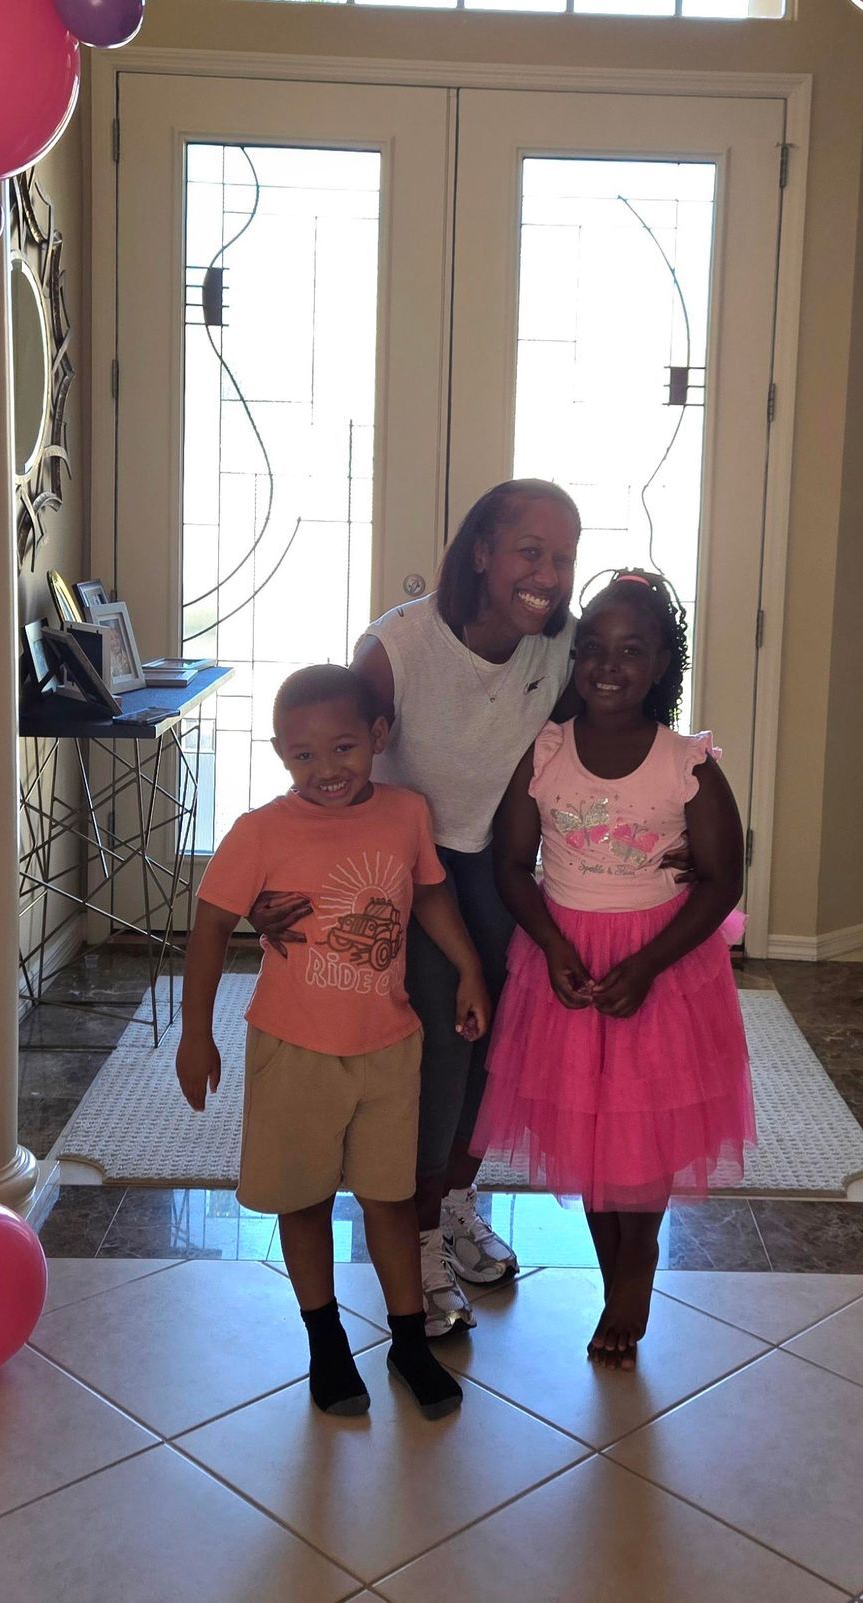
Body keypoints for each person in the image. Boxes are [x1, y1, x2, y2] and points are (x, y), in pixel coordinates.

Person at [175, 663, 492, 1420]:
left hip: (390, 1044)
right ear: (281, 751)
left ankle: (408, 1340)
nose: (326, 770)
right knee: (304, 1198)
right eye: (303, 755)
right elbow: (212, 925)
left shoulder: (406, 813)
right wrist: (195, 1033)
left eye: (344, 748)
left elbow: (431, 894)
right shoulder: (261, 831)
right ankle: (325, 1342)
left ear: (378, 738)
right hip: (294, 1048)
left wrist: (471, 967)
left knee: (390, 1196)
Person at [473, 571, 753, 1368]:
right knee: (589, 1130)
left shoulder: (686, 761)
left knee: (648, 1126)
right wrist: (554, 946)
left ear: (663, 661)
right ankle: (615, 1273)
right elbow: (510, 863)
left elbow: (722, 877)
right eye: (592, 646)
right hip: (565, 963)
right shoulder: (547, 752)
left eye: (631, 650)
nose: (607, 664)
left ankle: (643, 1259)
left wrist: (650, 963)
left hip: (660, 969)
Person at [349, 479, 581, 1335]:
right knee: (442, 1056)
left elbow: (599, 732)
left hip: (499, 861)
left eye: (562, 558)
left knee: (502, 1042)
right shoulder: (396, 648)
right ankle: (410, 1243)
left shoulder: (556, 649)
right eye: (530, 551)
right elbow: (335, 776)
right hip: (404, 868)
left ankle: (455, 1203)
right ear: (480, 551)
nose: (547, 574)